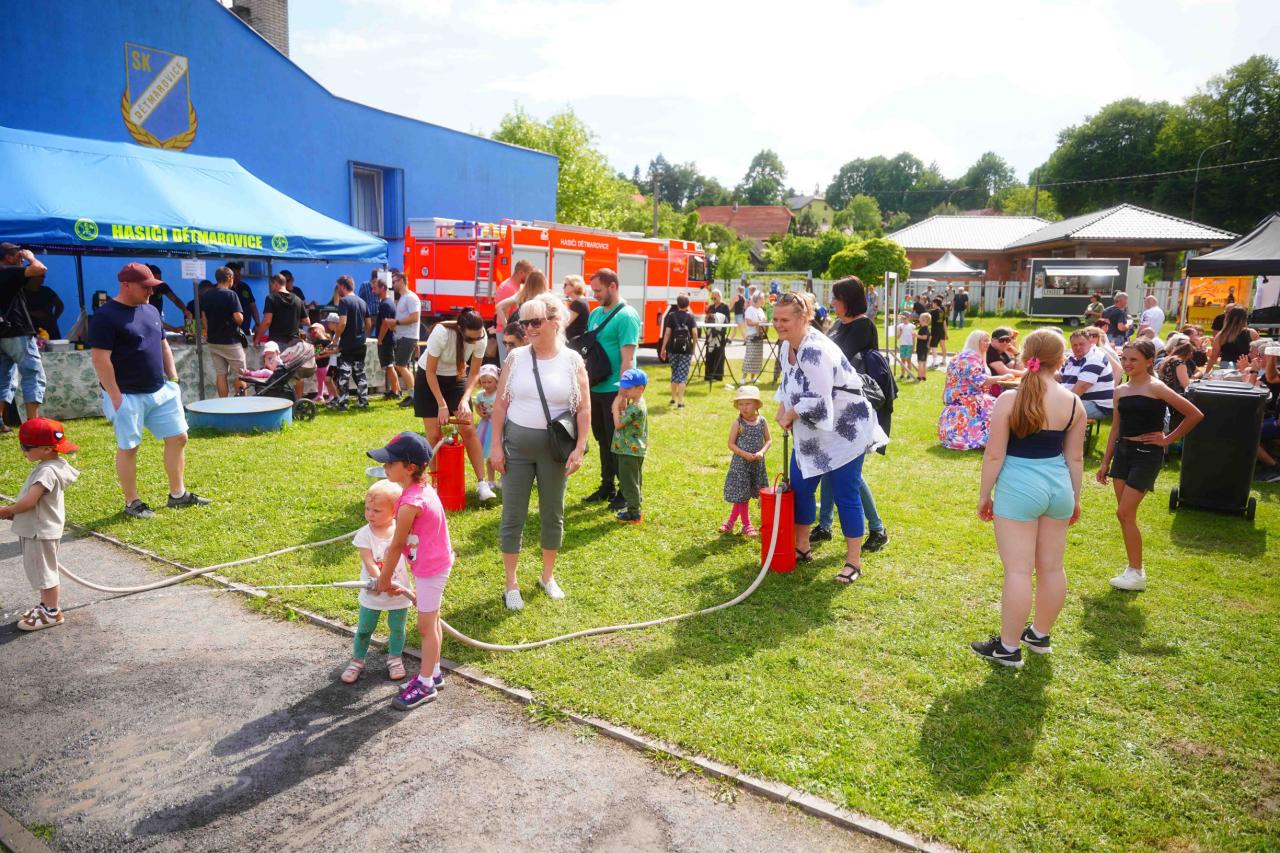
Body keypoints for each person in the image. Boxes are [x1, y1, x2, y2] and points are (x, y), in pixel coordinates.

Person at [971, 329, 1084, 667]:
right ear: (1060, 360)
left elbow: (994, 454)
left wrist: (984, 494)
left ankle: (1008, 648)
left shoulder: (1010, 400)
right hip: (1058, 488)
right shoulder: (1073, 402)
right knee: (1052, 568)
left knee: (1019, 571)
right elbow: (1075, 458)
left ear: (1025, 356)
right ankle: (1039, 634)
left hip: (1019, 488)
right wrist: (1075, 498)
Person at [489, 294, 591, 609]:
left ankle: (547, 576)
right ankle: (511, 583)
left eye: (536, 322)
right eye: (525, 322)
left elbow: (583, 408)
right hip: (516, 448)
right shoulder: (516, 358)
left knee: (553, 513)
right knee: (512, 515)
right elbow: (500, 405)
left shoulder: (572, 360)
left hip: (555, 450)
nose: (529, 328)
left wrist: (580, 448)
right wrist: (495, 446)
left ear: (555, 322)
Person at [772, 292, 879, 584]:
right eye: (775, 318)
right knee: (801, 488)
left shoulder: (815, 351)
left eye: (784, 320)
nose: (778, 324)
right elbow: (788, 383)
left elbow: (821, 404)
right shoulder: (787, 345)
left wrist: (791, 413)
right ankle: (802, 546)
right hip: (811, 432)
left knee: (845, 493)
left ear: (803, 318)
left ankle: (853, 562)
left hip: (844, 431)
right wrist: (783, 408)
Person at [89, 263, 211, 519]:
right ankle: (132, 502)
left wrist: (173, 380)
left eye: (153, 287)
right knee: (129, 447)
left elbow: (163, 345)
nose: (151, 292)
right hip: (126, 394)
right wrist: (115, 395)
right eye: (145, 287)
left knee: (179, 437)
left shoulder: (151, 310)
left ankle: (178, 494)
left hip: (161, 390)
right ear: (126, 285)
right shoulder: (105, 315)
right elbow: (100, 359)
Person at [1098, 340, 1204, 593]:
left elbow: (1195, 414)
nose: (1127, 363)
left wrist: (1167, 440)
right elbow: (1115, 428)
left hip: (1147, 455)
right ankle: (1134, 569)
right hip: (1123, 452)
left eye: (1133, 359)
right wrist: (1105, 461)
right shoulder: (1120, 390)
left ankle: (1136, 572)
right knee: (1125, 515)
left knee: (1124, 513)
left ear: (1148, 361)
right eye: (1124, 358)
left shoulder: (1156, 387)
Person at [369, 432, 453, 711]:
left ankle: (426, 685)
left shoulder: (410, 504)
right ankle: (434, 672)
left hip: (430, 569)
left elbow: (395, 546)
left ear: (410, 467)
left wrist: (383, 579)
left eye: (390, 463)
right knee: (433, 621)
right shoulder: (419, 490)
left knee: (425, 628)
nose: (385, 467)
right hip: (433, 563)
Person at [814, 277, 892, 552]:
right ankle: (824, 525)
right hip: (832, 407)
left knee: (848, 473)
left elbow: (839, 359)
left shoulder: (863, 325)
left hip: (853, 410)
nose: (832, 302)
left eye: (837, 298)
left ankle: (878, 529)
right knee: (826, 465)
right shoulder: (838, 324)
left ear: (849, 299)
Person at [0, 418, 79, 631]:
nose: (22, 451)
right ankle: (45, 607)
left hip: (39, 531)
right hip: (40, 527)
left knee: (44, 573)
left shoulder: (46, 471)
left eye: (26, 447)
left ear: (46, 449)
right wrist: (16, 514)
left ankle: (52, 612)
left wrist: (8, 510)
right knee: (42, 570)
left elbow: (29, 501)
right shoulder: (55, 465)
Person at [416, 306, 494, 501]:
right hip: (429, 379)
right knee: (434, 434)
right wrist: (442, 405)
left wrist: (465, 399)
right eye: (470, 339)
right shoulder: (441, 333)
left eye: (477, 337)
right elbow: (430, 372)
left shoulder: (481, 337)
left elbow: (474, 373)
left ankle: (482, 484)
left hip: (456, 378)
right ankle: (435, 485)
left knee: (468, 429)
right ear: (460, 329)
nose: (474, 342)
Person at [340, 478, 414, 684]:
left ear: (394, 511)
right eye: (367, 508)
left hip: (399, 593)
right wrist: (383, 582)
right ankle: (357, 661)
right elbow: (369, 562)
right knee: (365, 629)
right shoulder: (365, 535)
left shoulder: (402, 530)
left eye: (376, 510)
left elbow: (412, 557)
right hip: (373, 592)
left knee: (397, 628)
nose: (370, 514)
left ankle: (395, 659)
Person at [585, 268, 642, 508]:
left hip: (614, 390)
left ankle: (624, 492)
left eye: (598, 290)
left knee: (618, 442)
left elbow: (628, 359)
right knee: (602, 439)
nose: (595, 295)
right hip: (595, 388)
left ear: (612, 286)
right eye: (593, 290)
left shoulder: (626, 316)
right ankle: (607, 485)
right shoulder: (595, 314)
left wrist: (622, 395)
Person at [0, 244, 47, 427]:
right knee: (32, 374)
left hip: (2, 333)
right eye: (17, 254)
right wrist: (30, 257)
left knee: (3, 378)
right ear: (8, 257)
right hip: (17, 330)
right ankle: (33, 423)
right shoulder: (8, 271)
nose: (21, 257)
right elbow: (40, 269)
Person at [721, 385, 770, 537]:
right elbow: (731, 444)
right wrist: (745, 454)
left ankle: (730, 522)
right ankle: (747, 525)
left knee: (745, 495)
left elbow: (768, 440)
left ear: (756, 405)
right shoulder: (738, 423)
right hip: (741, 465)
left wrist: (761, 452)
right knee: (742, 495)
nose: (744, 407)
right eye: (741, 404)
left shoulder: (762, 421)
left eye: (748, 403)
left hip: (756, 464)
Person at [938, 329, 997, 451]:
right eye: (985, 340)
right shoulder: (971, 357)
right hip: (965, 398)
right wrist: (1003, 378)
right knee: (994, 404)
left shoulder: (963, 355)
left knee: (990, 401)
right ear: (976, 342)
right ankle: (984, 439)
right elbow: (979, 380)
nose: (988, 343)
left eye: (989, 340)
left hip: (955, 397)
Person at [202, 266, 246, 398]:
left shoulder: (207, 295)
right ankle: (243, 404)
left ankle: (223, 404)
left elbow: (203, 317)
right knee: (241, 374)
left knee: (221, 374)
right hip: (230, 341)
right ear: (229, 278)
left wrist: (209, 331)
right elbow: (239, 319)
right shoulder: (231, 295)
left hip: (213, 341)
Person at [611, 368, 648, 523]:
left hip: (629, 451)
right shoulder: (636, 403)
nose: (624, 391)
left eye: (628, 388)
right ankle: (635, 507)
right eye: (623, 387)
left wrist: (615, 407)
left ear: (640, 388)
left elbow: (618, 424)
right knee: (634, 480)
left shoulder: (636, 408)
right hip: (630, 450)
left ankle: (634, 514)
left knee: (628, 482)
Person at [330, 276, 369, 410]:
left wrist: (336, 339)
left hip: (347, 344)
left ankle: (343, 403)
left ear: (343, 286)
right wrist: (364, 336)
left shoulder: (344, 301)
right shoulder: (362, 302)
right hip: (361, 344)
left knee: (344, 374)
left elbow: (342, 323)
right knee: (360, 373)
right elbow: (369, 323)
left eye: (338, 287)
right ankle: (363, 401)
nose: (337, 290)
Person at [1060, 329, 1115, 421]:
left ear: (1090, 342)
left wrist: (1058, 402)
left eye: (1081, 344)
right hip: (1081, 399)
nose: (1078, 347)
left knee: (1056, 410)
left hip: (1097, 405)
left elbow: (1081, 388)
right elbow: (1060, 377)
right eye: (1074, 345)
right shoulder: (1073, 357)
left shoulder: (1095, 358)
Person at [659, 295, 698, 408]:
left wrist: (663, 349)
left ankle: (673, 398)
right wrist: (693, 347)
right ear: (688, 304)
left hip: (673, 348)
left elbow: (667, 333)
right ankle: (680, 402)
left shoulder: (672, 316)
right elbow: (695, 333)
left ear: (677, 304)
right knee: (682, 375)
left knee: (674, 373)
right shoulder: (690, 317)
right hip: (686, 350)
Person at [494, 259, 533, 360]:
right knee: (508, 364)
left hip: (509, 333)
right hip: (507, 333)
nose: (529, 277)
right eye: (528, 274)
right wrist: (509, 333)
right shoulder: (508, 288)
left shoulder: (515, 286)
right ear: (521, 272)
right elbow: (504, 313)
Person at [391, 270, 420, 402]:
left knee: (400, 366)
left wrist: (396, 322)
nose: (393, 285)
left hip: (409, 337)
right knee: (403, 366)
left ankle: (413, 395)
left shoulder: (411, 297)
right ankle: (412, 395)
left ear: (402, 281)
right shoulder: (403, 298)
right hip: (403, 337)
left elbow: (415, 317)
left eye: (394, 282)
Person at [258, 273, 307, 350]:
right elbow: (306, 321)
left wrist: (257, 339)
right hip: (294, 343)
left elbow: (267, 321)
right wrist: (292, 321)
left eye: (271, 285)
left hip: (277, 343)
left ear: (275, 283)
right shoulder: (298, 300)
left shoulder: (271, 298)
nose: (271, 287)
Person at [369, 276, 399, 398]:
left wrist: (380, 339)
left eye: (375, 288)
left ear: (383, 288)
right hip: (388, 339)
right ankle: (396, 390)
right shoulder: (387, 303)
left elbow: (385, 324)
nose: (373, 291)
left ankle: (395, 392)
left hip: (386, 340)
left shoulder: (385, 304)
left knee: (389, 366)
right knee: (389, 366)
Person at [473, 364, 500, 493]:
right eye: (483, 382)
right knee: (489, 456)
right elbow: (476, 405)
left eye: (490, 382)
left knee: (502, 455)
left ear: (496, 381)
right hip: (486, 428)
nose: (486, 385)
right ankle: (491, 480)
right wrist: (480, 413)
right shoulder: (480, 395)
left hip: (498, 426)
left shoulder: (499, 394)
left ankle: (503, 479)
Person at [145, 264, 191, 334]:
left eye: (160, 280)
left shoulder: (162, 286)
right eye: (155, 281)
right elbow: (151, 320)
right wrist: (174, 329)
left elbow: (175, 299)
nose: (158, 283)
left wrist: (184, 309)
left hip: (157, 318)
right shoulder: (142, 296)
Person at [23, 275, 64, 340]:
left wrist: (53, 319)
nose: (44, 277)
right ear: (32, 276)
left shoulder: (47, 291)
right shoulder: (20, 293)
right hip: (30, 331)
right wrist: (33, 313)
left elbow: (60, 305)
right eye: (41, 275)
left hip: (49, 330)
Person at [703, 288, 731, 383]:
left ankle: (718, 375)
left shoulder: (725, 307)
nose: (713, 300)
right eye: (712, 298)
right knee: (709, 354)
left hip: (720, 334)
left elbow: (727, 320)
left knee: (719, 354)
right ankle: (709, 374)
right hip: (710, 333)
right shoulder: (711, 307)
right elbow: (706, 320)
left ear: (719, 296)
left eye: (715, 298)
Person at [226, 262, 259, 336]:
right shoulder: (222, 289)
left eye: (239, 274)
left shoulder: (245, 287)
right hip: (228, 332)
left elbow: (253, 306)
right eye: (236, 275)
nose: (238, 277)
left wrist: (257, 323)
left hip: (245, 330)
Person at [741, 292, 768, 384]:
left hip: (760, 335)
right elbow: (749, 323)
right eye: (763, 298)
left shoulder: (760, 310)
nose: (764, 300)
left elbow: (764, 320)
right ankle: (743, 378)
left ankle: (753, 377)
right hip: (751, 335)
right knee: (750, 356)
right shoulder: (750, 309)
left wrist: (763, 323)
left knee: (757, 357)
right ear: (758, 299)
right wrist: (759, 323)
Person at [563, 275, 591, 339]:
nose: (563, 287)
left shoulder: (578, 303)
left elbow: (565, 323)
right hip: (577, 340)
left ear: (575, 286)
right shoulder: (581, 300)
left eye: (565, 285)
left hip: (574, 340)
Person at [929, 297, 949, 367]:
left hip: (935, 330)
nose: (932, 304)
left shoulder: (932, 312)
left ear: (935, 303)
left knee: (933, 346)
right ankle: (944, 361)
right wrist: (946, 333)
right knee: (943, 345)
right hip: (941, 331)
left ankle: (934, 363)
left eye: (933, 303)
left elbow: (930, 321)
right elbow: (944, 323)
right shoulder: (942, 311)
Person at [896, 313, 915, 380]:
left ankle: (909, 374)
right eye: (902, 318)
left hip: (909, 345)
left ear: (908, 318)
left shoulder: (912, 326)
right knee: (902, 360)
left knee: (908, 360)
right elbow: (897, 337)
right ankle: (902, 374)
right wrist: (900, 332)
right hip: (902, 345)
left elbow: (913, 337)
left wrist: (913, 346)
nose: (903, 320)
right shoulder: (900, 326)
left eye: (905, 318)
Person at [914, 312, 931, 382]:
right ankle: (924, 376)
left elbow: (924, 337)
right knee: (924, 362)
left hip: (921, 348)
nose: (919, 319)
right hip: (925, 348)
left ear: (924, 320)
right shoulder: (926, 328)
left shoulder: (923, 329)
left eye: (920, 318)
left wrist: (916, 335)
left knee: (920, 362)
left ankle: (919, 376)